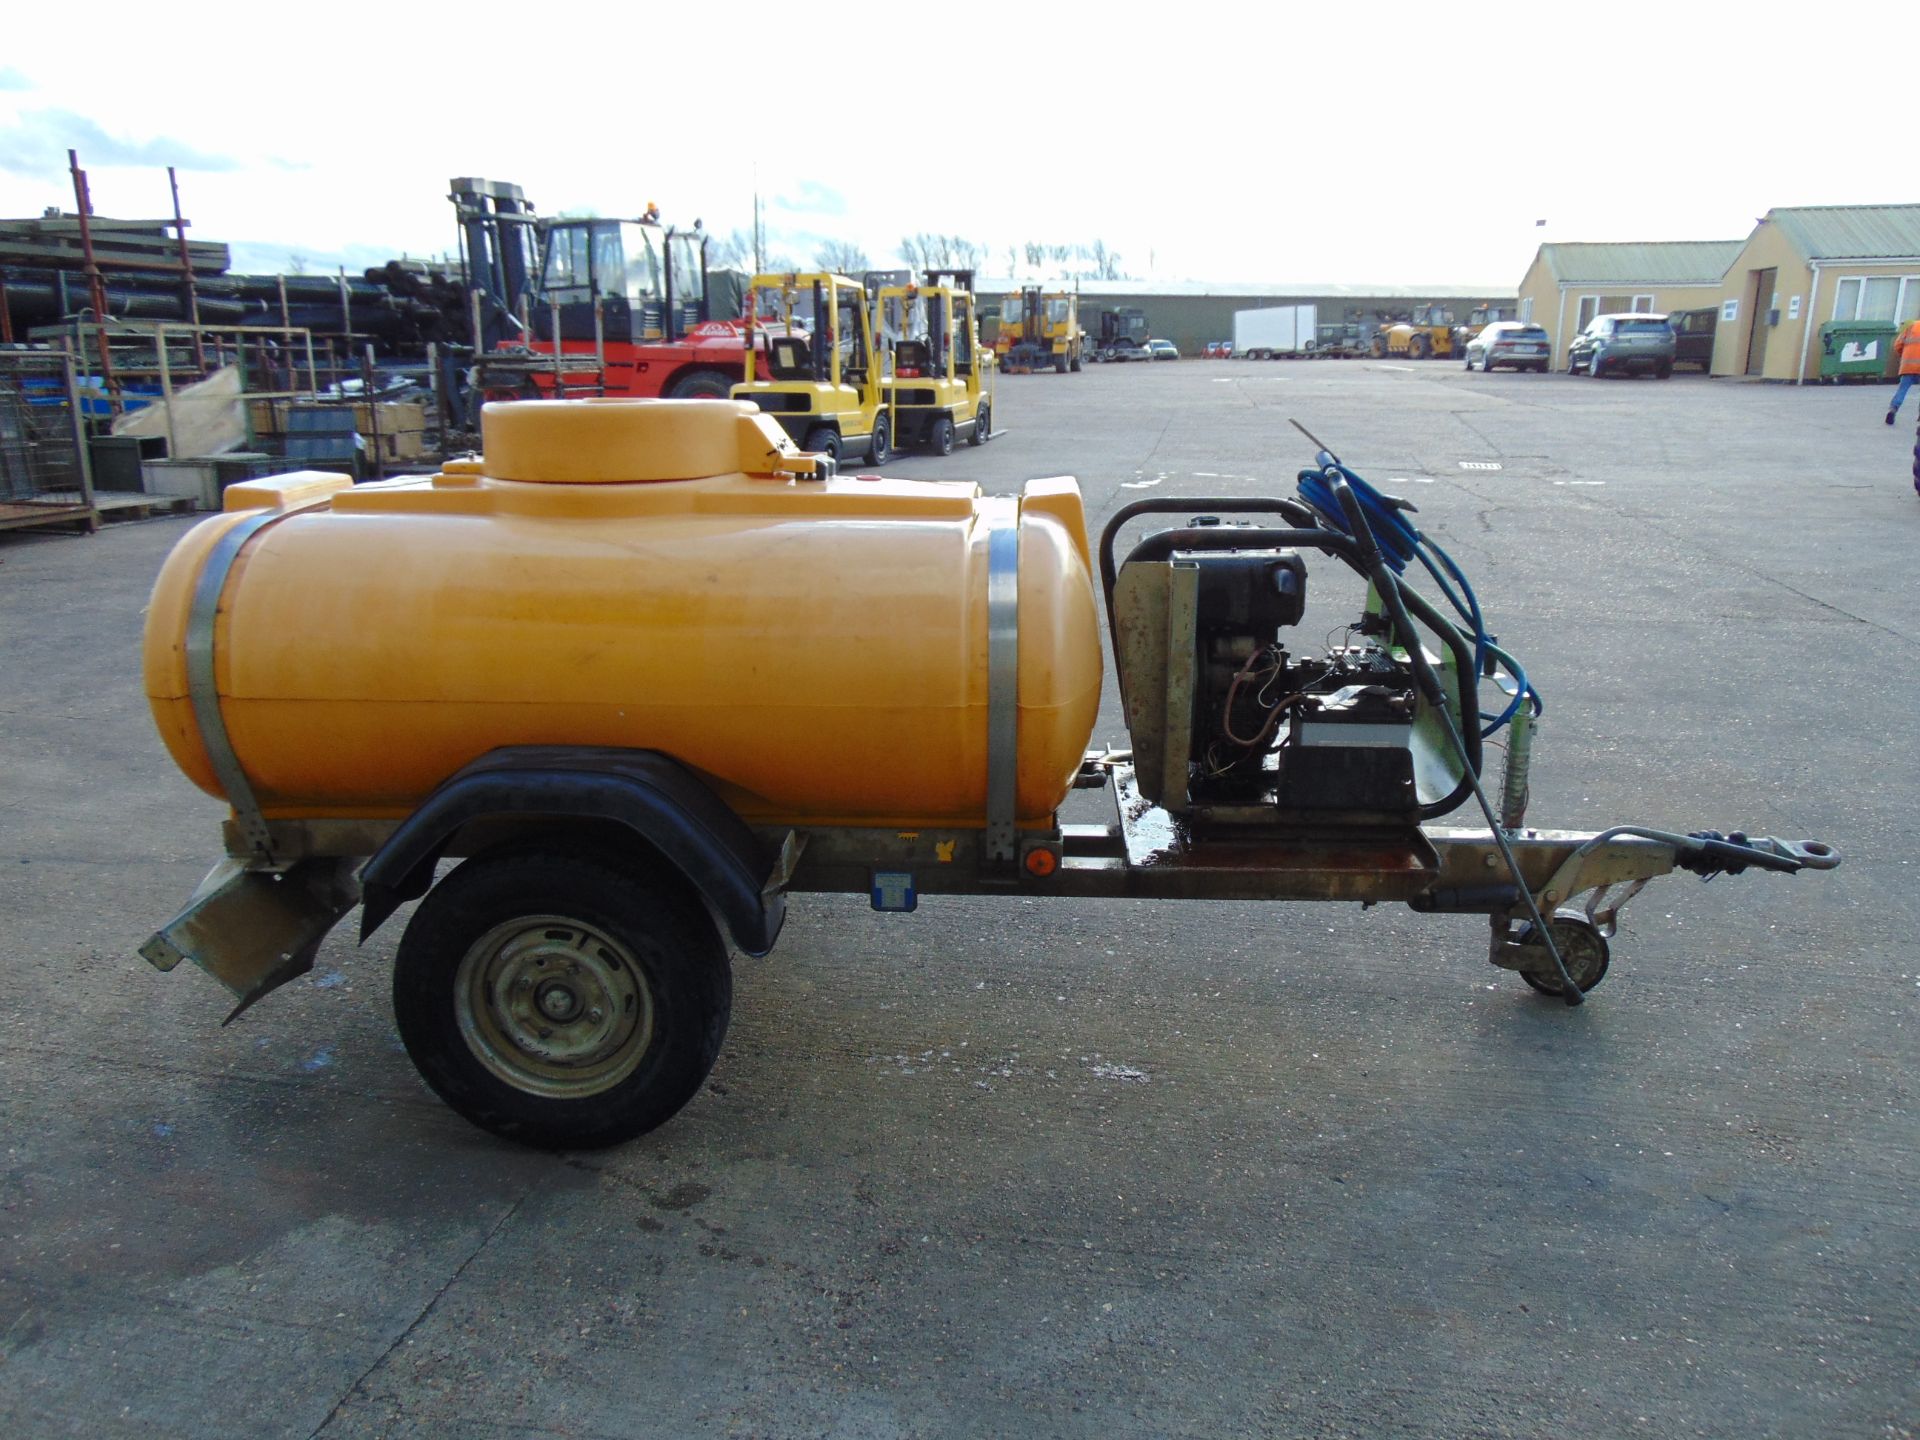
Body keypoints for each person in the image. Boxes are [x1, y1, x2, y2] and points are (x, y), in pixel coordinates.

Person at [1887, 316, 1920, 424]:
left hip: (1908, 366)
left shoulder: (1910, 327)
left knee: (1902, 389)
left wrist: (1904, 356)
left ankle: (1893, 409)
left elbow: (1898, 345)